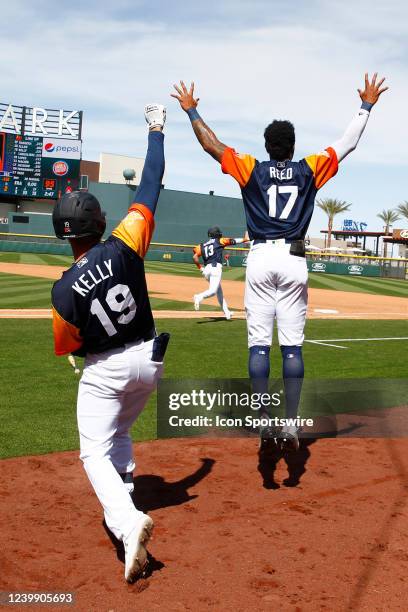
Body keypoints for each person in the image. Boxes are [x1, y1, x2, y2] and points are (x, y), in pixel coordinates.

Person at [172, 74, 388, 451]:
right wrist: (366, 105)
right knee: (292, 348)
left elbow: (212, 145)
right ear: (291, 146)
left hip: (259, 257)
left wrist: (192, 110)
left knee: (259, 346)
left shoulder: (251, 168)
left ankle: (261, 418)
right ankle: (289, 424)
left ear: (268, 146)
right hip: (294, 258)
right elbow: (348, 143)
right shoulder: (309, 168)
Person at [51, 104, 168, 583]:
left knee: (91, 451)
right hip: (150, 361)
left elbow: (69, 347)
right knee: (118, 431)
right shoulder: (124, 240)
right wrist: (156, 131)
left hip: (106, 368)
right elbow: (151, 183)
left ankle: (126, 521)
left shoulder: (61, 290)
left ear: (63, 234)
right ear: (98, 223)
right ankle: (125, 493)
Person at [192, 226, 247, 318]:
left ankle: (227, 312)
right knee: (213, 291)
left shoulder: (202, 245)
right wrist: (245, 239)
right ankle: (198, 296)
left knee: (219, 292)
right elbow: (233, 241)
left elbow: (194, 257)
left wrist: (200, 268)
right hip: (215, 268)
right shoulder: (219, 241)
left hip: (206, 270)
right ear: (216, 234)